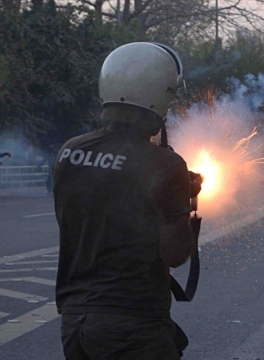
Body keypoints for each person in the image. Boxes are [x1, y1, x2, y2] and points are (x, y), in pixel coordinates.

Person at [54, 42, 198, 360]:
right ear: (158, 97)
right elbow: (175, 254)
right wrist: (184, 204)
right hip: (133, 327)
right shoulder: (164, 164)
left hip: (75, 324)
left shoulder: (70, 152)